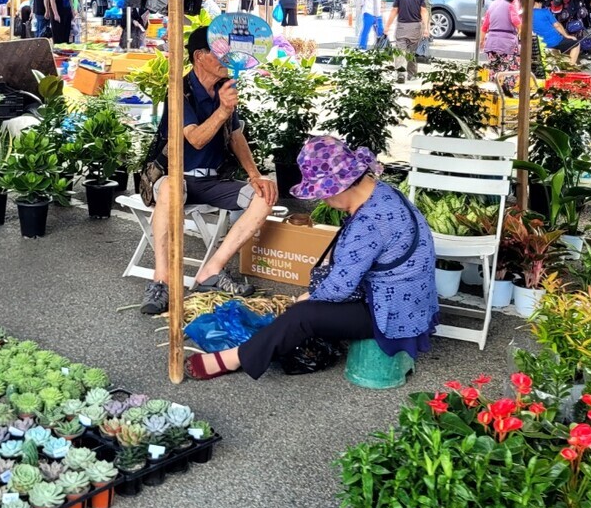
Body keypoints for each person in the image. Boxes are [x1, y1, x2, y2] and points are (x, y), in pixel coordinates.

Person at [183, 136, 438, 379]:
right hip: (407, 298)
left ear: (340, 187)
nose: (323, 200)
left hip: (392, 313)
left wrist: (308, 298)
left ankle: (235, 358)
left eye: (323, 193)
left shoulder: (370, 222)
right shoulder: (383, 193)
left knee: (303, 316)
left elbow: (338, 289)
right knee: (308, 301)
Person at [139, 26, 278, 315]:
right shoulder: (179, 91)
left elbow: (235, 136)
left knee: (264, 195)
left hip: (214, 180)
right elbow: (196, 138)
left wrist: (255, 175)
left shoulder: (224, 89)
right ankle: (161, 281)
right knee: (172, 188)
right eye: (221, 52)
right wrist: (223, 110)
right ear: (200, 56)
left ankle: (211, 271)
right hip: (173, 178)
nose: (229, 58)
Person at [384, 0, 427, 80]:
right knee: (413, 52)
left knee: (400, 51)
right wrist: (426, 28)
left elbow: (394, 10)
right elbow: (423, 11)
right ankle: (412, 75)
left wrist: (387, 26)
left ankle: (401, 74)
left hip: (402, 27)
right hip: (416, 27)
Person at [480, 0, 522, 76]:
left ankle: (494, 83)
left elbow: (484, 26)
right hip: (507, 44)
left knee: (494, 72)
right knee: (508, 73)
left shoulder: (493, 4)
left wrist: (482, 40)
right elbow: (515, 20)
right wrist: (522, 30)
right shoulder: (511, 2)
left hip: (492, 43)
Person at [531, 0, 581, 65]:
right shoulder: (544, 12)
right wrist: (566, 35)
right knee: (576, 43)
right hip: (555, 42)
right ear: (537, 3)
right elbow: (557, 25)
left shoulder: (526, 15)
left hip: (540, 45)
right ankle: (571, 65)